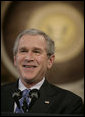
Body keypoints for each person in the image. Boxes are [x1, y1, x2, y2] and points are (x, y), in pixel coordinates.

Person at [1, 29, 84, 115]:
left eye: (36, 52)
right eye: (23, 51)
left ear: (50, 61)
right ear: (15, 59)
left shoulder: (70, 103)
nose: (28, 58)